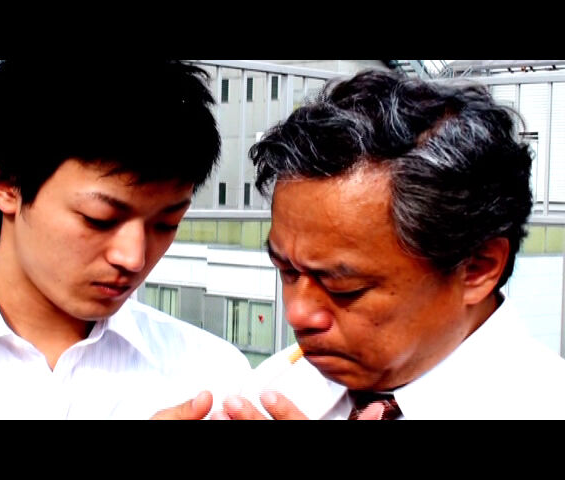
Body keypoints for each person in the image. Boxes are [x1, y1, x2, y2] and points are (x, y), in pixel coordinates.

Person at [0, 59, 250, 419]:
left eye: (166, 224)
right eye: (100, 219)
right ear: (4, 183)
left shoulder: (211, 378)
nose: (134, 258)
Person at [210, 69, 565, 420]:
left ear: (477, 268)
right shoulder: (270, 389)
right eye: (287, 271)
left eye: (345, 287)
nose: (297, 314)